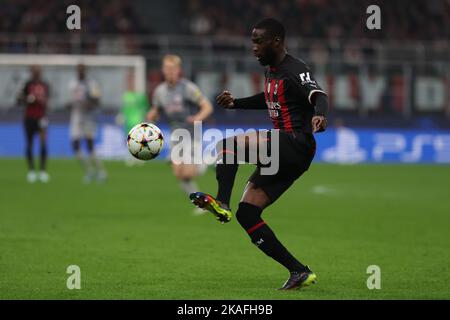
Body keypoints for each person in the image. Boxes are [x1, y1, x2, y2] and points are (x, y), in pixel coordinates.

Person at [190, 19, 329, 290]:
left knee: (229, 144)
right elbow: (269, 99)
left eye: (258, 41)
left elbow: (318, 94)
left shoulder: (295, 68)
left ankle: (221, 202)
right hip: (288, 155)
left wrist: (321, 114)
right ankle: (298, 271)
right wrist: (235, 104)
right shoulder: (273, 72)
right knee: (248, 213)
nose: (253, 47)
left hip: (295, 143)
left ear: (276, 41)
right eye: (252, 41)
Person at [147, 55, 213, 202]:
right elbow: (156, 111)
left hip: (191, 134)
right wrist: (152, 116)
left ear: (178, 70)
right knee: (179, 174)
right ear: (163, 70)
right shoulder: (160, 91)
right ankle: (200, 202)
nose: (170, 71)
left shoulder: (188, 88)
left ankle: (204, 162)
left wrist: (198, 117)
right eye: (167, 68)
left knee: (188, 174)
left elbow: (207, 106)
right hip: (175, 136)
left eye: (173, 68)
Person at [68, 64, 106, 183]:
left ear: (85, 71)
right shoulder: (73, 83)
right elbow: (73, 100)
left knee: (90, 145)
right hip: (77, 116)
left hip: (89, 117)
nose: (80, 72)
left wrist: (89, 103)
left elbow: (97, 100)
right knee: (75, 144)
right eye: (78, 70)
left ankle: (101, 171)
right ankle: (89, 171)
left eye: (82, 70)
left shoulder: (92, 83)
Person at [17, 65, 50, 183]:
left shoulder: (45, 85)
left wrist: (40, 101)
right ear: (31, 72)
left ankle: (42, 171)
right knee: (29, 143)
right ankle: (31, 170)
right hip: (29, 117)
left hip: (41, 117)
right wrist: (27, 99)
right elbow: (18, 100)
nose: (36, 72)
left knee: (43, 143)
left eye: (38, 70)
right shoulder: (27, 84)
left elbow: (48, 101)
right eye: (35, 70)